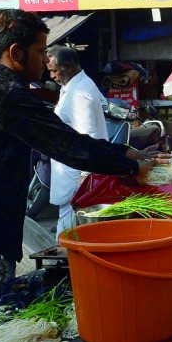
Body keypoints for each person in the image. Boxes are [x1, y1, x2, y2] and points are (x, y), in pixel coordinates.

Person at [0, 9, 161, 309]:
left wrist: (127, 152)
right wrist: (130, 165)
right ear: (16, 53)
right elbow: (65, 143)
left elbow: (64, 137)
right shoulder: (8, 98)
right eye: (40, 52)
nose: (44, 61)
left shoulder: (0, 94)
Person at [46, 46, 109, 237]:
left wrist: (85, 173)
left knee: (67, 222)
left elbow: (87, 133)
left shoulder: (79, 93)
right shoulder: (79, 84)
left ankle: (61, 261)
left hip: (75, 171)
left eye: (54, 71)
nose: (51, 76)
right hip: (72, 167)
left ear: (69, 66)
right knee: (72, 221)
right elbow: (103, 104)